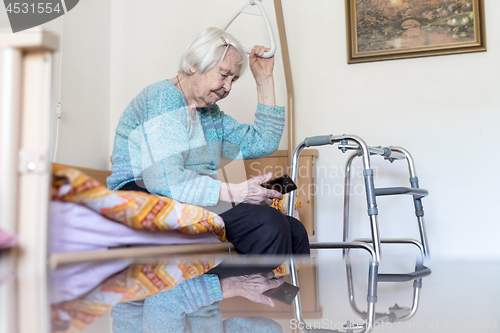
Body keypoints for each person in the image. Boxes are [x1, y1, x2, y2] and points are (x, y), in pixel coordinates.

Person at [107, 27, 309, 257]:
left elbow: (263, 141)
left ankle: (268, 288)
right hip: (141, 198)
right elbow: (165, 181)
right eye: (224, 75)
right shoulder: (163, 98)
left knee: (294, 231)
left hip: (187, 198)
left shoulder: (210, 114)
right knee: (267, 224)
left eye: (234, 79)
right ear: (195, 64)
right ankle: (253, 287)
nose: (229, 87)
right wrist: (238, 193)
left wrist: (264, 79)